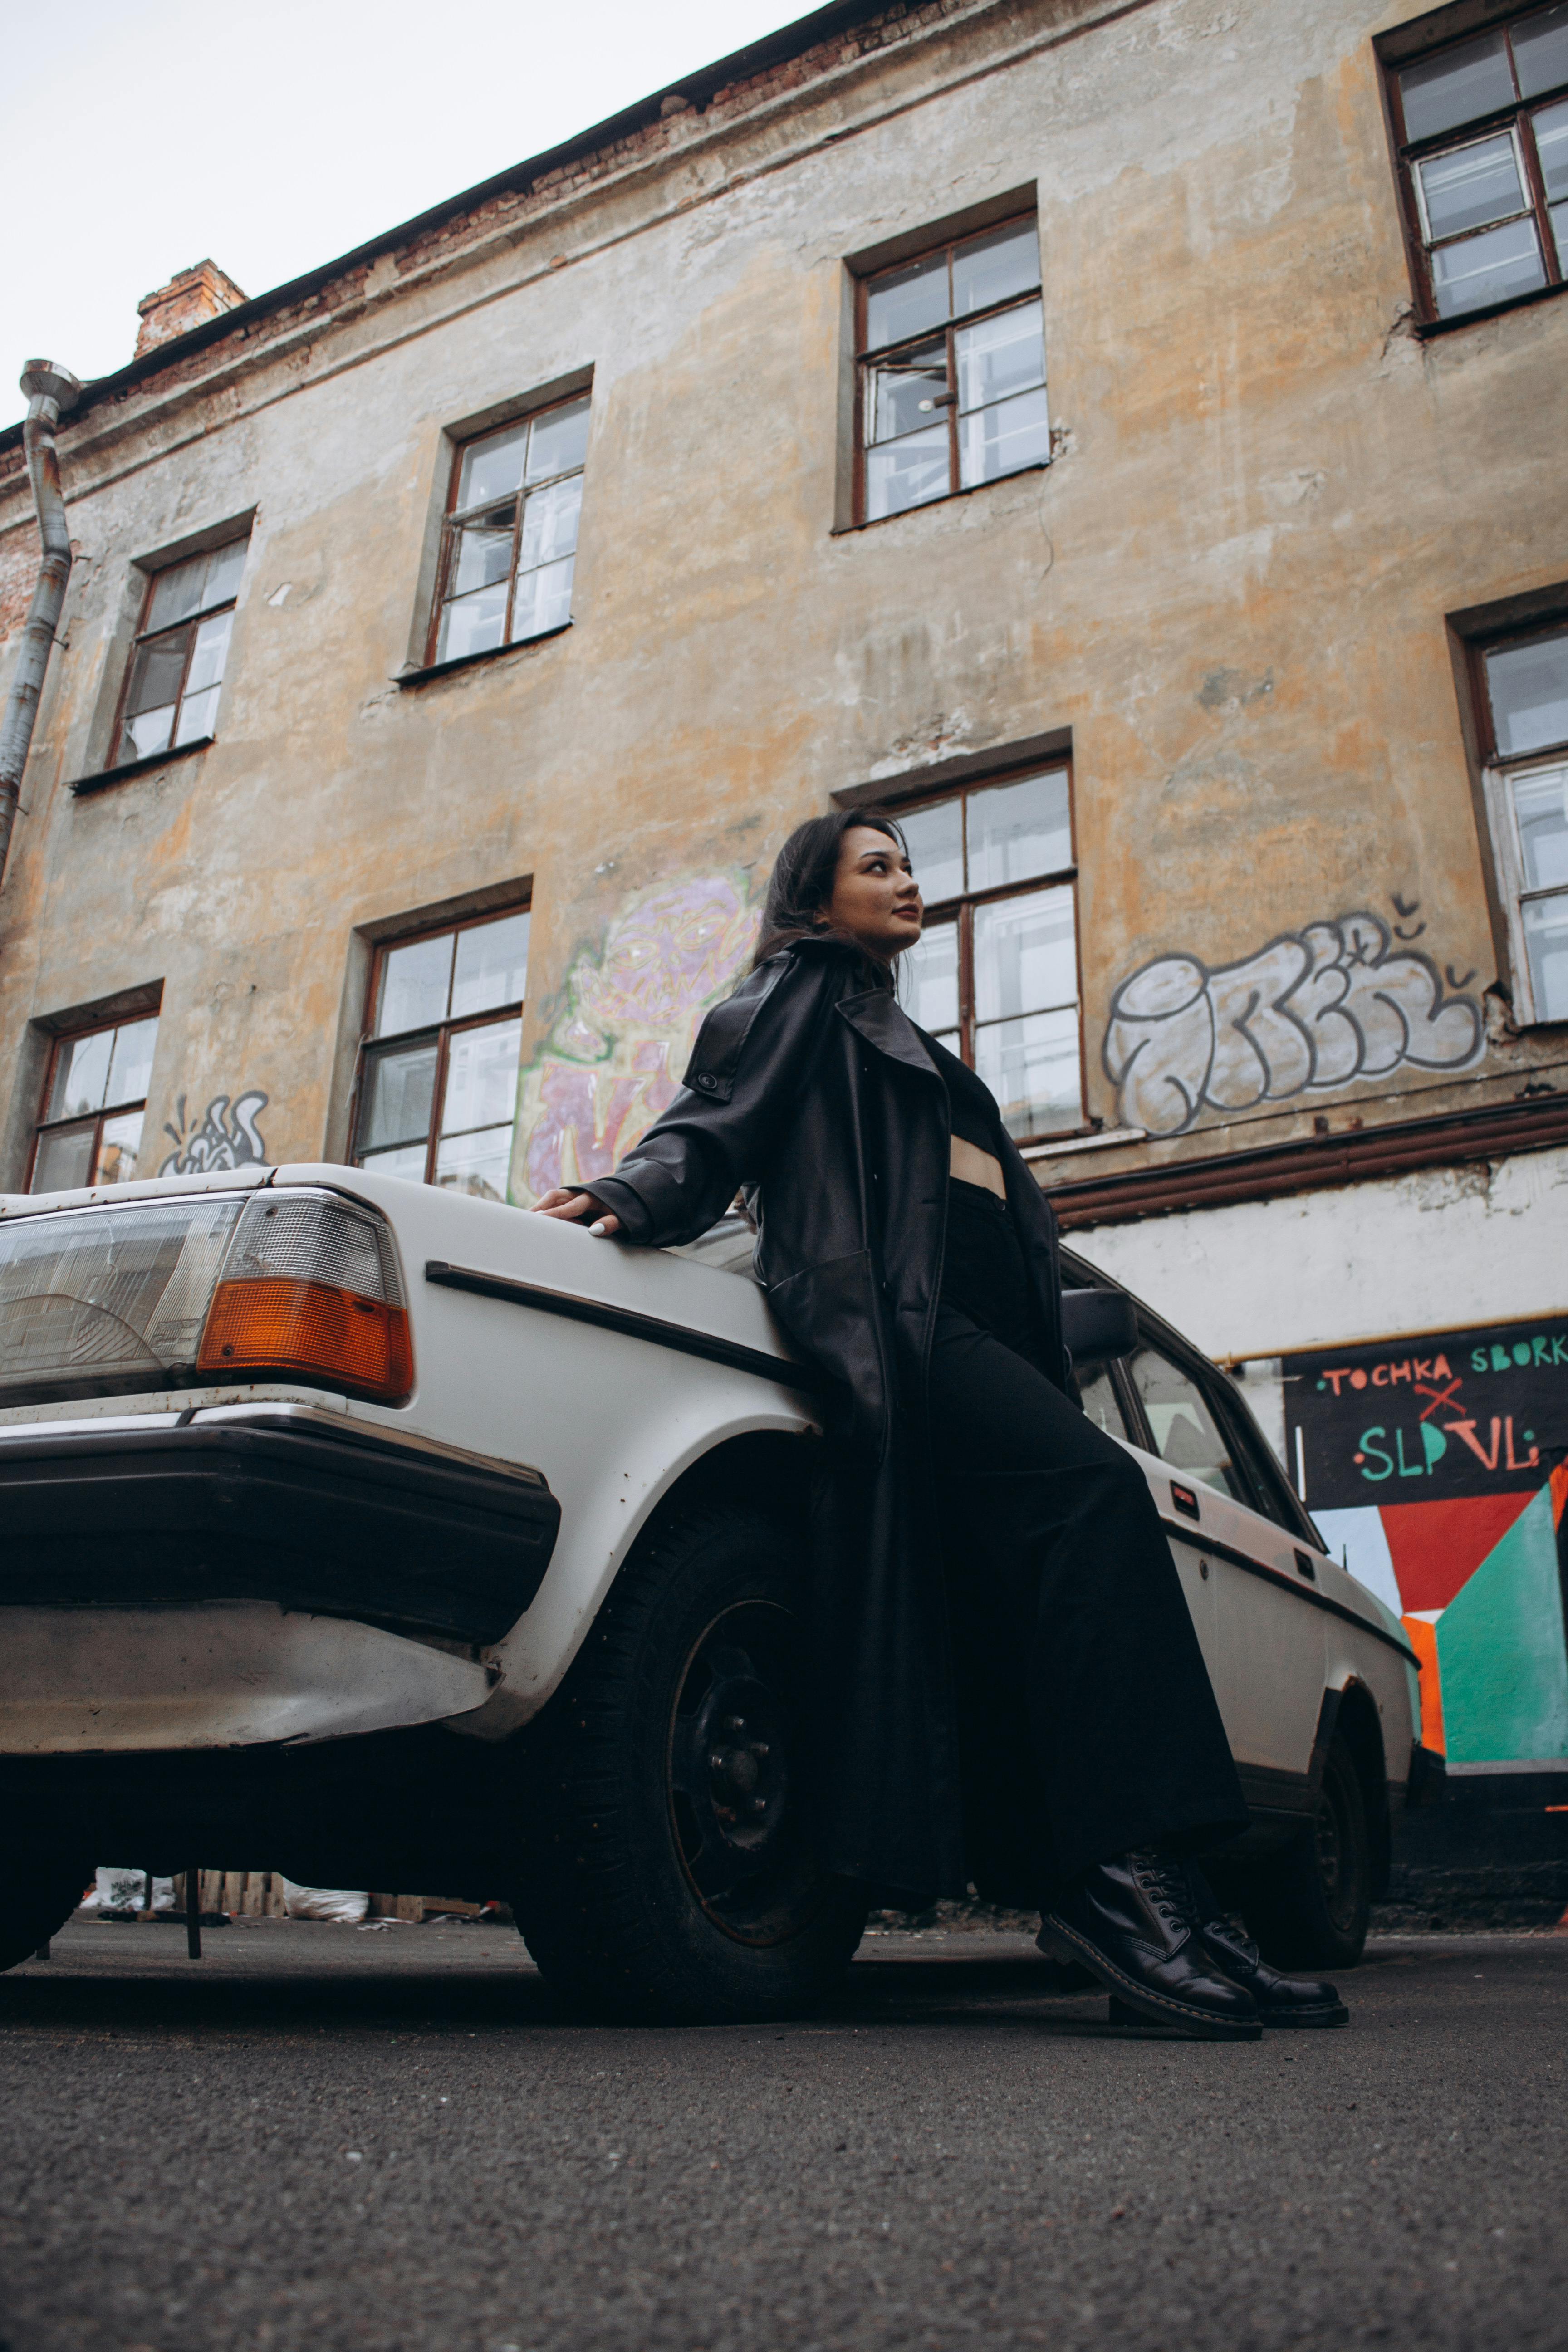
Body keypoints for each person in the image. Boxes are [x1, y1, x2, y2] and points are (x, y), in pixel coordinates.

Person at [534, 812, 1346, 2038]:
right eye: (878, 866)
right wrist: (628, 1191)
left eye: (911, 865)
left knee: (1033, 1596)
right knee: (1097, 1498)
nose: (908, 881)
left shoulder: (896, 1026)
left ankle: (1161, 1900)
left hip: (966, 1337)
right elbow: (714, 1119)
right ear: (814, 896)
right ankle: (1123, 1892)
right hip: (899, 1335)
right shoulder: (797, 990)